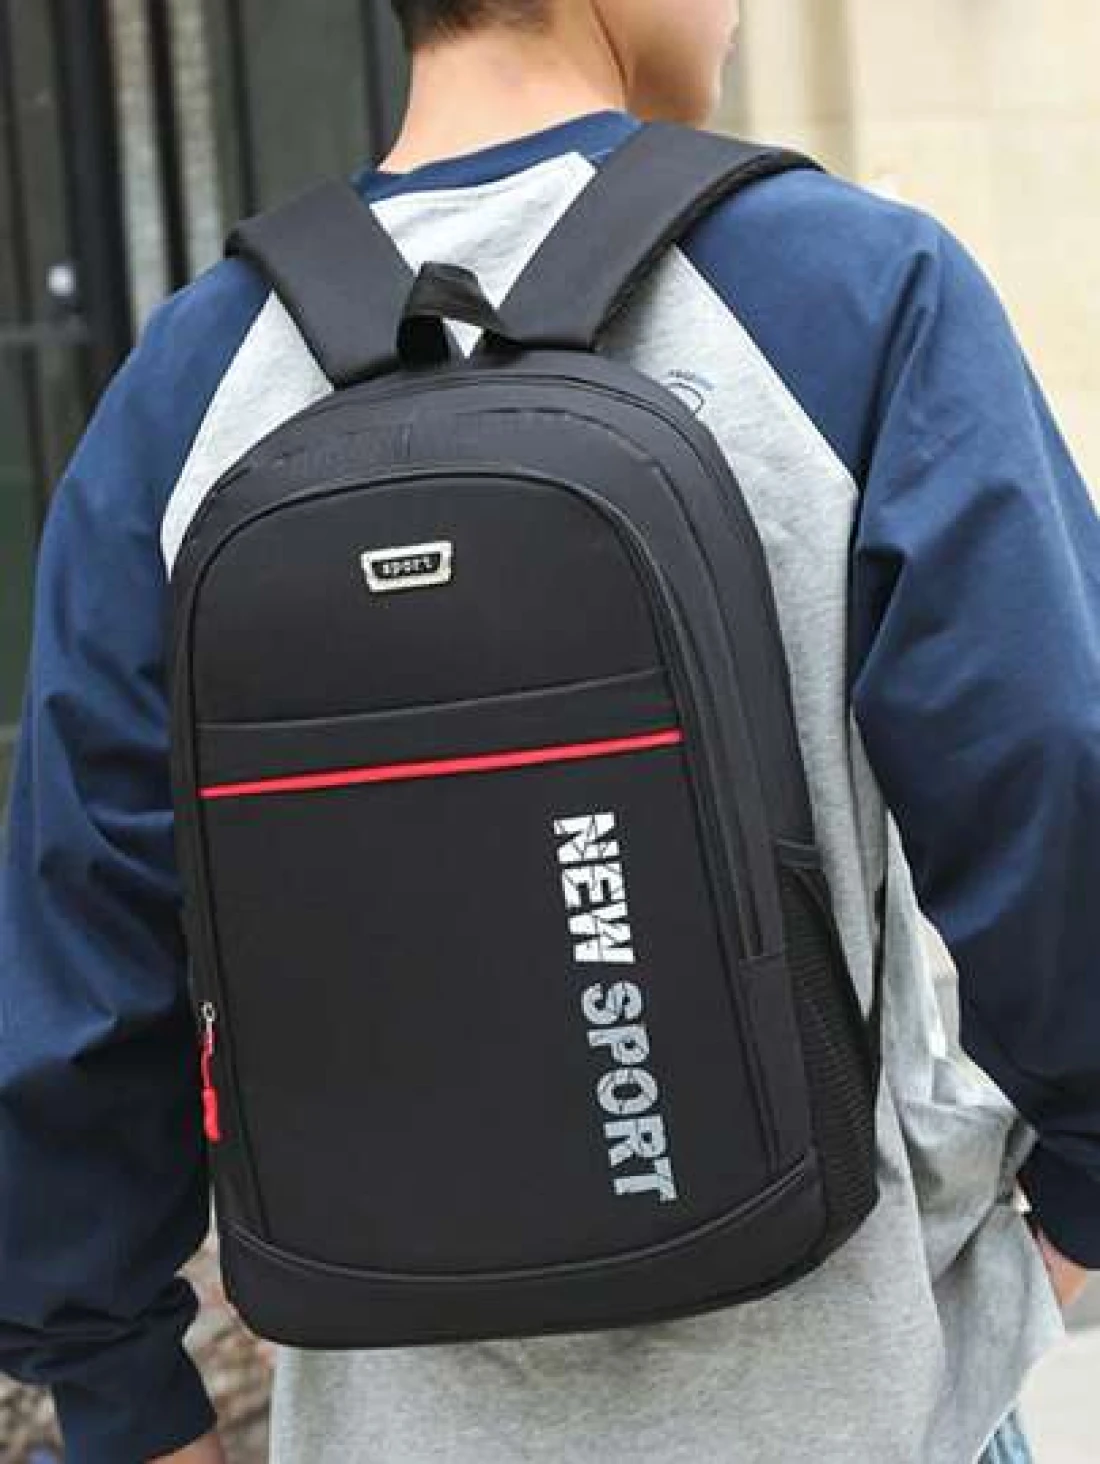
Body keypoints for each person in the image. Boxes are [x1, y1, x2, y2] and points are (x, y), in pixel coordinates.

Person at [1, 1, 1096, 1461]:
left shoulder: (187, 386)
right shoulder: (853, 293)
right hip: (860, 1396)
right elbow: (1050, 771)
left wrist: (118, 1389)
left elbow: (83, 923)